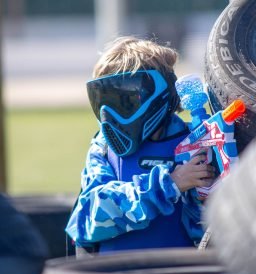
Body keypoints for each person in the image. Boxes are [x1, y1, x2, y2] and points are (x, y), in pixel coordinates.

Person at [65, 36, 215, 254]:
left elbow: (213, 233)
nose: (109, 114)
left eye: (124, 101)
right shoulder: (103, 148)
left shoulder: (194, 142)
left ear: (160, 94)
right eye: (104, 101)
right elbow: (88, 219)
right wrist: (171, 183)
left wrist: (206, 187)